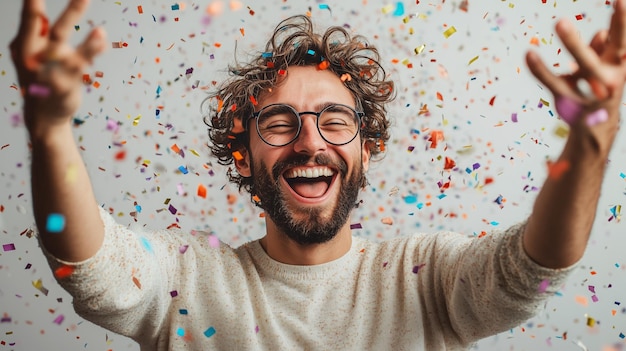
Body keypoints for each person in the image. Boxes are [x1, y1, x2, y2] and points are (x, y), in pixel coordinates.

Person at [9, 0, 625, 349]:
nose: (310, 142)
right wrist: (52, 130)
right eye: (278, 123)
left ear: (366, 148)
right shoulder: (185, 283)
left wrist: (589, 147)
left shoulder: (428, 278)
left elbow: (534, 273)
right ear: (244, 153)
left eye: (335, 120)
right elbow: (82, 265)